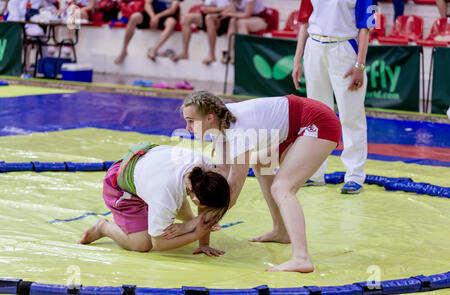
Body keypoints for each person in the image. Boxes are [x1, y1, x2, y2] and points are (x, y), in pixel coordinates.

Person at [179, 91, 342, 273]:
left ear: (209, 118)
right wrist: (196, 174)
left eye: (191, 121)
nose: (187, 127)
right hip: (296, 125)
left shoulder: (238, 132)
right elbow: (221, 175)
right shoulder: (221, 123)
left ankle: (301, 258)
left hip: (318, 121)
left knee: (282, 188)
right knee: (261, 161)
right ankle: (281, 230)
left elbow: (231, 194)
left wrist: (194, 226)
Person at [78, 141, 231, 255]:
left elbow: (206, 204)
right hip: (120, 186)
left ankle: (190, 221)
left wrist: (203, 242)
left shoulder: (205, 168)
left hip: (146, 170)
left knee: (178, 205)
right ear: (196, 200)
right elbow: (158, 243)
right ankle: (103, 227)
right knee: (142, 244)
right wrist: (195, 234)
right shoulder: (166, 195)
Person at [292, 0, 374, 194]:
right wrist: (297, 59)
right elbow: (305, 22)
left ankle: (354, 175)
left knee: (351, 115)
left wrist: (360, 65)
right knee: (316, 117)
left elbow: (365, 28)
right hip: (314, 46)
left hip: (344, 49)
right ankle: (314, 173)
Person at [114, 0, 182, 64]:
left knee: (171, 22)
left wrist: (157, 16)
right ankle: (124, 50)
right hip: (150, 14)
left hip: (165, 16)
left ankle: (154, 50)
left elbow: (173, 9)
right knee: (134, 17)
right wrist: (153, 17)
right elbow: (147, 4)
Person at [172, 0, 230, 65]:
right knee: (188, 17)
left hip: (228, 19)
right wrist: (222, 9)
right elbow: (207, 10)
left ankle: (211, 55)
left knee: (209, 18)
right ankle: (184, 53)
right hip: (214, 17)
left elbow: (232, 10)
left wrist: (216, 9)